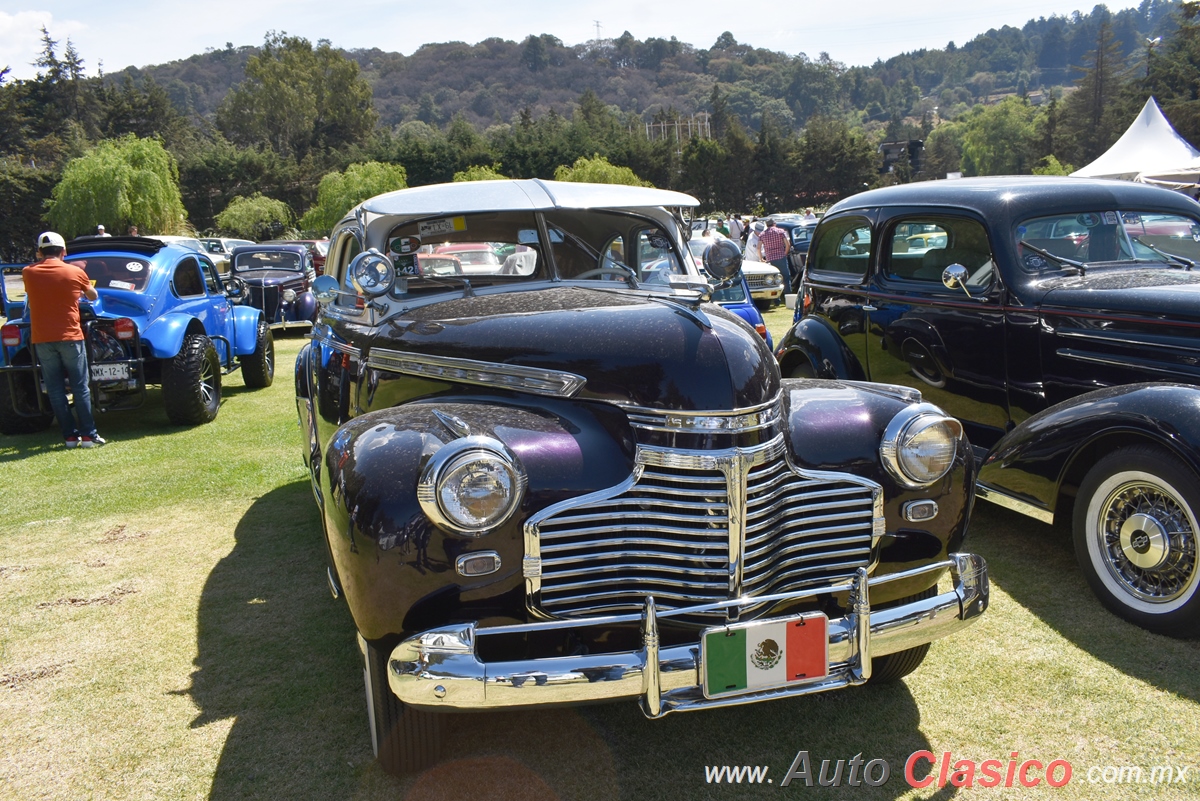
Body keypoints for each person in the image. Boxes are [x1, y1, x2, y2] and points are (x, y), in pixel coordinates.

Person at [22, 232, 107, 448]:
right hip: (70, 335)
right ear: (64, 251)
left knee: (56, 388)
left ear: (39, 252)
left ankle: (69, 436)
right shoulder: (75, 271)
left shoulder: (28, 272)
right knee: (80, 387)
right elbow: (93, 296)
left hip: (42, 338)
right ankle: (89, 434)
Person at [758, 219, 793, 302]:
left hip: (770, 259)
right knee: (785, 277)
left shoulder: (762, 234)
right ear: (774, 224)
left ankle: (776, 299)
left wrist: (761, 258)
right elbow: (787, 244)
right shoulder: (780, 231)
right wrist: (785, 253)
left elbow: (758, 247)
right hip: (781, 257)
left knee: (773, 279)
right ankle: (788, 296)